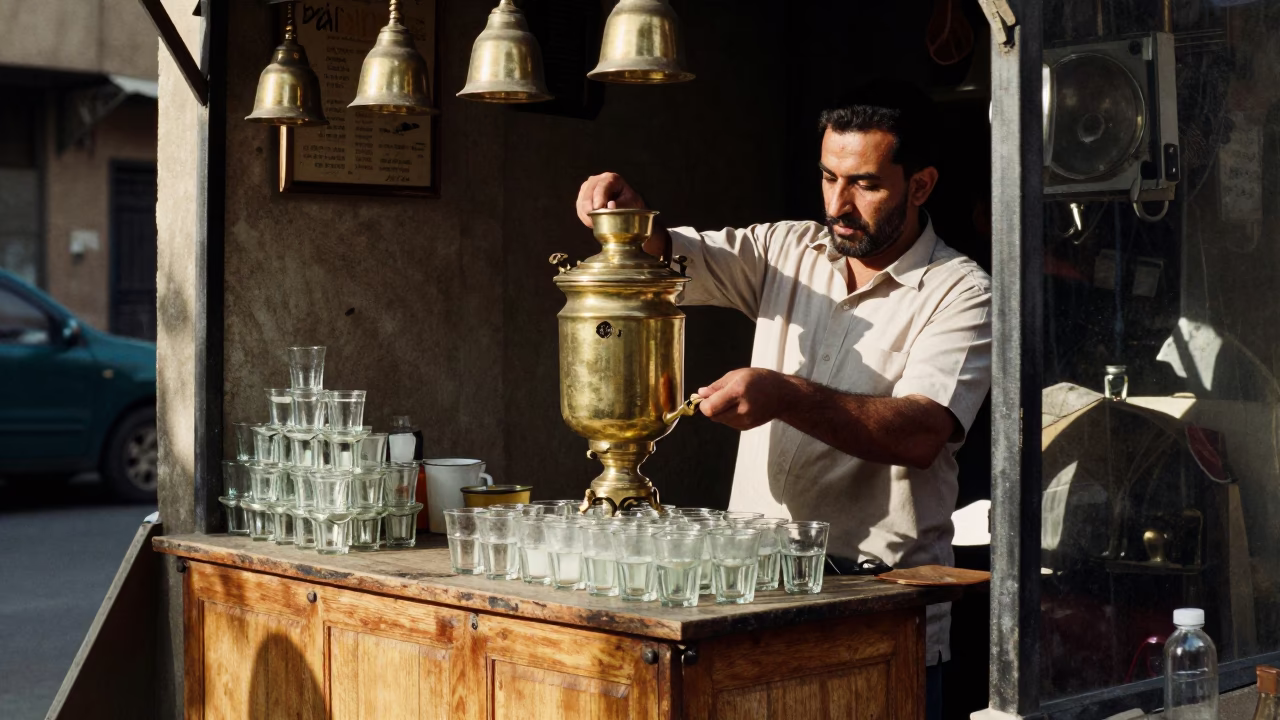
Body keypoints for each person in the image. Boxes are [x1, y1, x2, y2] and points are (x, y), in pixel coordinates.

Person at [574, 82, 992, 720]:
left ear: (922, 185)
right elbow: (675, 256)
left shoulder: (961, 292)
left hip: (877, 607)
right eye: (828, 179)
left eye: (865, 184)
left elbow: (920, 432)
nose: (839, 204)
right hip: (758, 597)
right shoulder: (789, 249)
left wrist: (782, 394)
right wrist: (631, 220)